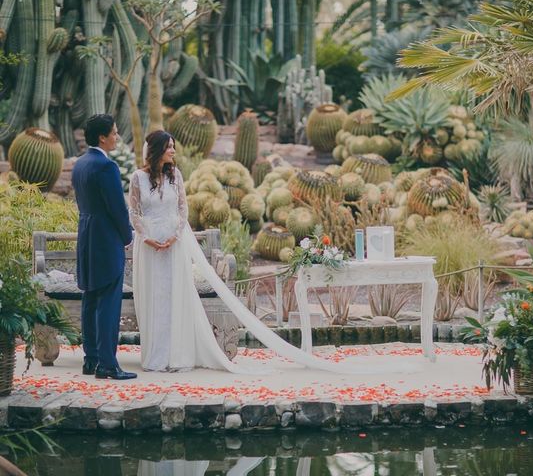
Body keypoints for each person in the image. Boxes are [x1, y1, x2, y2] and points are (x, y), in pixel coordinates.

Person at [129, 130, 423, 375]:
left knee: (175, 298)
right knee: (156, 298)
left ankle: (176, 356)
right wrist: (149, 238)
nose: (173, 153)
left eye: (174, 148)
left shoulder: (175, 175)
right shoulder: (137, 179)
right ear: (155, 150)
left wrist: (174, 235)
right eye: (168, 149)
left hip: (174, 243)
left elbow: (183, 209)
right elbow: (135, 212)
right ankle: (156, 356)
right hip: (150, 245)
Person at [72, 114, 136, 380]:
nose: (117, 137)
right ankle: (108, 365)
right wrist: (127, 235)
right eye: (114, 132)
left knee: (91, 298)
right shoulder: (106, 167)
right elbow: (117, 208)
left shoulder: (80, 164)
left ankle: (92, 360)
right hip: (106, 238)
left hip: (86, 235)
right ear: (102, 137)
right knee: (109, 302)